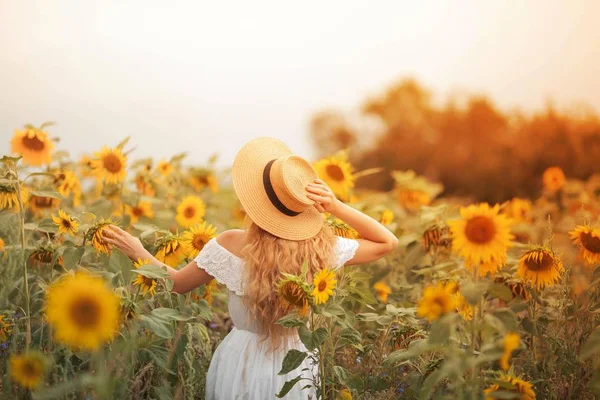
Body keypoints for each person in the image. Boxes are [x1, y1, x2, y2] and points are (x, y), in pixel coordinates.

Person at [102, 137, 398, 399]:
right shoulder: (321, 250)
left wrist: (138, 252)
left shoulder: (230, 243)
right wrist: (335, 206)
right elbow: (387, 242)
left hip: (241, 360)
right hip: (297, 364)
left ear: (254, 201)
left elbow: (177, 284)